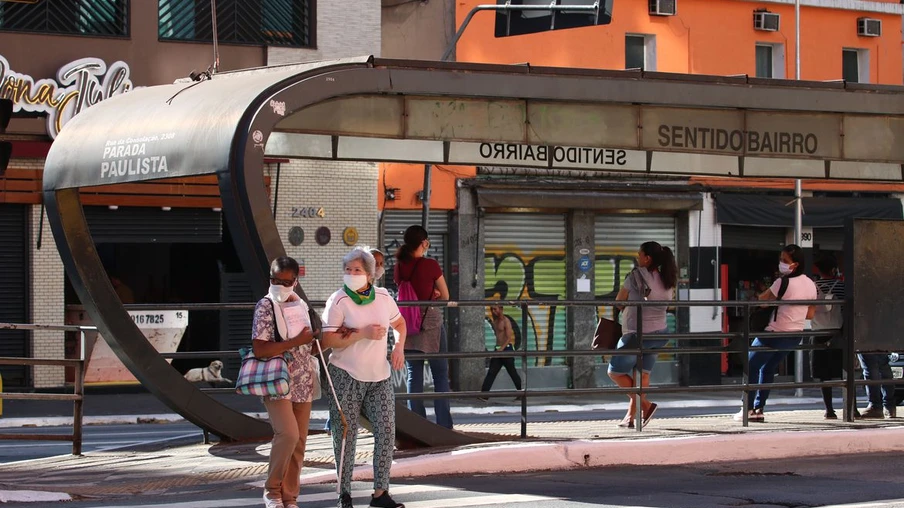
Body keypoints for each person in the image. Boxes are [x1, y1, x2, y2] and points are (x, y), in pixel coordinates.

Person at [321, 247, 408, 508]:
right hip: (345, 374)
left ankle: (381, 493)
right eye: (347, 270)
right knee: (345, 434)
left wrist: (399, 346)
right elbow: (326, 340)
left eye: (357, 270)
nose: (351, 274)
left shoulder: (383, 297)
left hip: (379, 376)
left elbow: (400, 324)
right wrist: (362, 333)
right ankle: (343, 494)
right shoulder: (338, 300)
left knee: (386, 431)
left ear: (369, 274)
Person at [252, 256, 317, 508]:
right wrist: (296, 341)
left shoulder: (302, 305)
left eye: (285, 281)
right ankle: (272, 491)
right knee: (287, 434)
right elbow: (260, 349)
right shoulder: (265, 306)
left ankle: (290, 497)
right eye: (274, 280)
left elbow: (310, 346)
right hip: (277, 380)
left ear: (295, 281)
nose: (279, 285)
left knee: (299, 441)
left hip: (303, 379)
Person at [735, 244, 817, 423]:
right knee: (768, 368)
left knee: (751, 366)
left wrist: (774, 302)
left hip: (775, 332)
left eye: (784, 260)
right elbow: (810, 314)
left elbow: (762, 299)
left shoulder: (783, 282)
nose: (781, 263)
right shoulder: (810, 284)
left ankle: (747, 408)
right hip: (795, 334)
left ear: (794, 264)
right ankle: (759, 408)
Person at [608, 241, 677, 428]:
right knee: (642, 373)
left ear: (647, 258)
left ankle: (646, 405)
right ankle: (632, 417)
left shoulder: (635, 275)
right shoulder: (668, 278)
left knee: (614, 371)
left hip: (636, 334)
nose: (637, 258)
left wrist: (626, 308)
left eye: (639, 255)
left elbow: (619, 301)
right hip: (660, 333)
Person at [393, 225, 454, 429]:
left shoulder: (399, 266)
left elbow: (405, 291)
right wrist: (433, 293)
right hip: (430, 324)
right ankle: (444, 424)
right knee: (440, 375)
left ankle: (418, 425)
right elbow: (445, 296)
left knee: (414, 375)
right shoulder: (431, 265)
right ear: (424, 243)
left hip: (407, 323)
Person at [810, 254, 846, 420]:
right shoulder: (842, 287)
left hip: (818, 333)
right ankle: (851, 408)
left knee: (823, 374)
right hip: (837, 333)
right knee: (845, 373)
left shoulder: (813, 287)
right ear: (834, 270)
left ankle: (829, 410)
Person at [479, 305, 522, 401]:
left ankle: (521, 392)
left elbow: (508, 338)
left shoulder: (506, 321)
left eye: (495, 309)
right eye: (492, 309)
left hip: (506, 350)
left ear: (501, 309)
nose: (493, 311)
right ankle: (484, 394)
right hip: (498, 350)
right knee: (492, 372)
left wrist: (501, 349)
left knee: (512, 372)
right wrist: (497, 349)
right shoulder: (495, 321)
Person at [857, 353, 897, 419]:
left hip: (865, 344)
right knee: (883, 366)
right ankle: (889, 406)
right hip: (882, 343)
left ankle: (875, 406)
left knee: (869, 367)